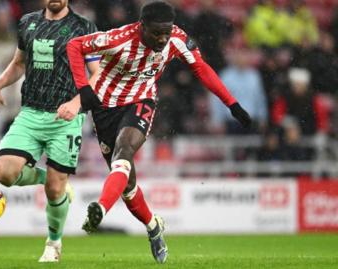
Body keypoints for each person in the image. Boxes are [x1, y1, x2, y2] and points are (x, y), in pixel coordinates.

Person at [63, 0, 251, 263]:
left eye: (167, 31)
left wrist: (232, 104)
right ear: (142, 27)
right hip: (105, 108)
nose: (163, 38)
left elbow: (201, 67)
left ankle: (101, 209)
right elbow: (75, 45)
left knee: (124, 152)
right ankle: (153, 226)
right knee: (128, 187)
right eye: (157, 33)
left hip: (141, 102)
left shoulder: (176, 38)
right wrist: (83, 88)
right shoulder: (118, 38)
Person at [0, 0, 100, 263]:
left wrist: (77, 102)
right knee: (5, 173)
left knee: (55, 191)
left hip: (66, 118)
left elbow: (97, 74)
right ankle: (49, 178)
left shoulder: (83, 27)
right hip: (31, 113)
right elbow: (19, 63)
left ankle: (53, 243)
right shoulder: (27, 22)